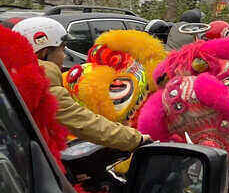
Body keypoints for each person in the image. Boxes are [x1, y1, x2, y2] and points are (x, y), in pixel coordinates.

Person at [14, 17, 147, 151]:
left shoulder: (14, 76)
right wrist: (136, 139)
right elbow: (84, 123)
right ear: (44, 52)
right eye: (62, 49)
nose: (64, 56)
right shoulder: (43, 86)